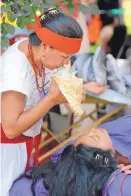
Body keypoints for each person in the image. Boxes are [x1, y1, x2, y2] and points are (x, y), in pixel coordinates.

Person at [0, 7, 108, 196]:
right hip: (7, 151)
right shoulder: (16, 69)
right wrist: (51, 100)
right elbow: (9, 129)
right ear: (45, 46)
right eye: (64, 57)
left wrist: (82, 87)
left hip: (27, 142)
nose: (66, 63)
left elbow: (53, 81)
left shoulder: (36, 51)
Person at [9, 115, 131, 196]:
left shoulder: (31, 185)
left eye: (93, 136)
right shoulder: (119, 185)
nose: (93, 129)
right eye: (94, 136)